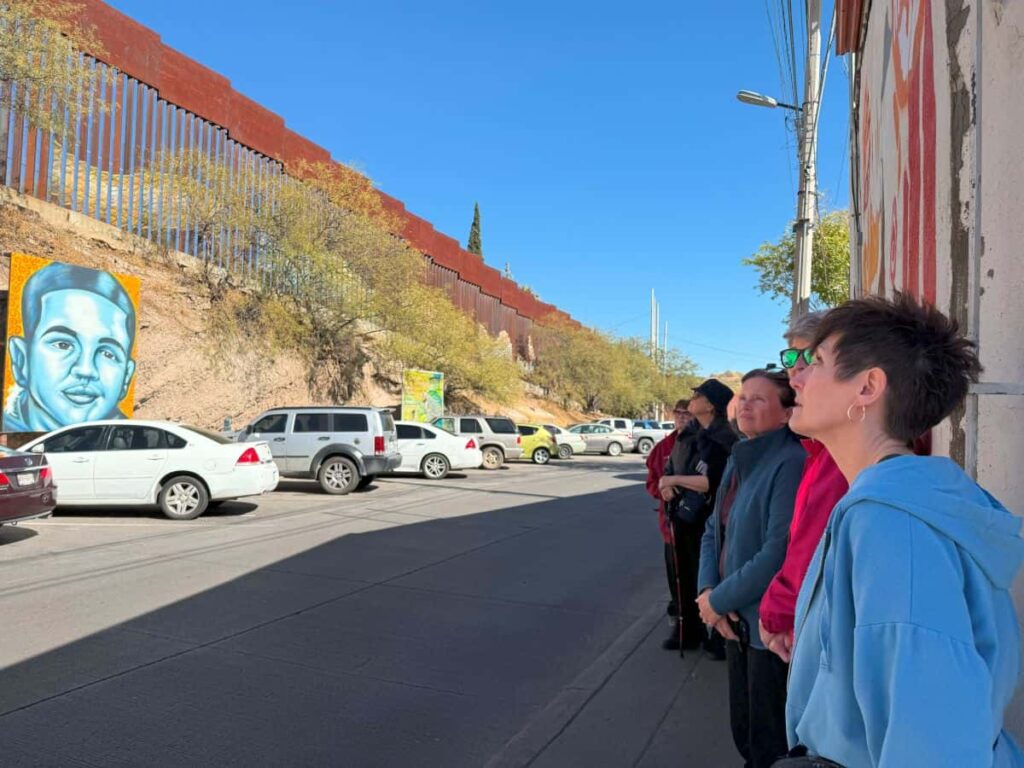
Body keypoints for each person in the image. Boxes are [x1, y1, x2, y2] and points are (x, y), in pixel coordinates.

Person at [785, 294, 1024, 766]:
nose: (796, 375)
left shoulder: (894, 521)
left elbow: (934, 740)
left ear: (868, 387)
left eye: (815, 361)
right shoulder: (894, 502)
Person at [696, 369, 806, 768]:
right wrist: (708, 592)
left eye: (759, 399)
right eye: (743, 396)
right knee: (742, 730)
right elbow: (713, 530)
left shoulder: (789, 462)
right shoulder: (740, 456)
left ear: (785, 413)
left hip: (766, 628)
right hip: (731, 619)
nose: (745, 404)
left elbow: (777, 552)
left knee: (768, 741)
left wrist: (719, 600)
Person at [758, 313, 849, 663]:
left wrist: (774, 614)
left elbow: (808, 548)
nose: (793, 375)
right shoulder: (819, 451)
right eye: (790, 359)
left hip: (816, 639)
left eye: (810, 358)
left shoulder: (844, 459)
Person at [4, 262, 137, 432]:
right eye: (63, 344)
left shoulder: (132, 436)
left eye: (107, 353)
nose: (86, 370)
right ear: (21, 359)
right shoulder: (8, 447)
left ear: (126, 377)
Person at [659, 378, 738, 652]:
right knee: (684, 575)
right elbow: (671, 468)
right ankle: (689, 631)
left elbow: (713, 480)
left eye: (699, 394)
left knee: (714, 575)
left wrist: (673, 481)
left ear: (712, 405)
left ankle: (719, 635)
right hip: (683, 517)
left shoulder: (726, 437)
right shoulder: (689, 434)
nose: (692, 397)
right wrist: (667, 484)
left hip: (715, 519)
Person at [644, 399, 694, 649]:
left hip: (698, 524)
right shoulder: (663, 447)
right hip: (671, 527)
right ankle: (683, 627)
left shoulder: (703, 443)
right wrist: (662, 491)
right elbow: (651, 481)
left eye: (688, 414)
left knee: (697, 577)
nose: (683, 418)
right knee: (676, 576)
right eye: (680, 414)